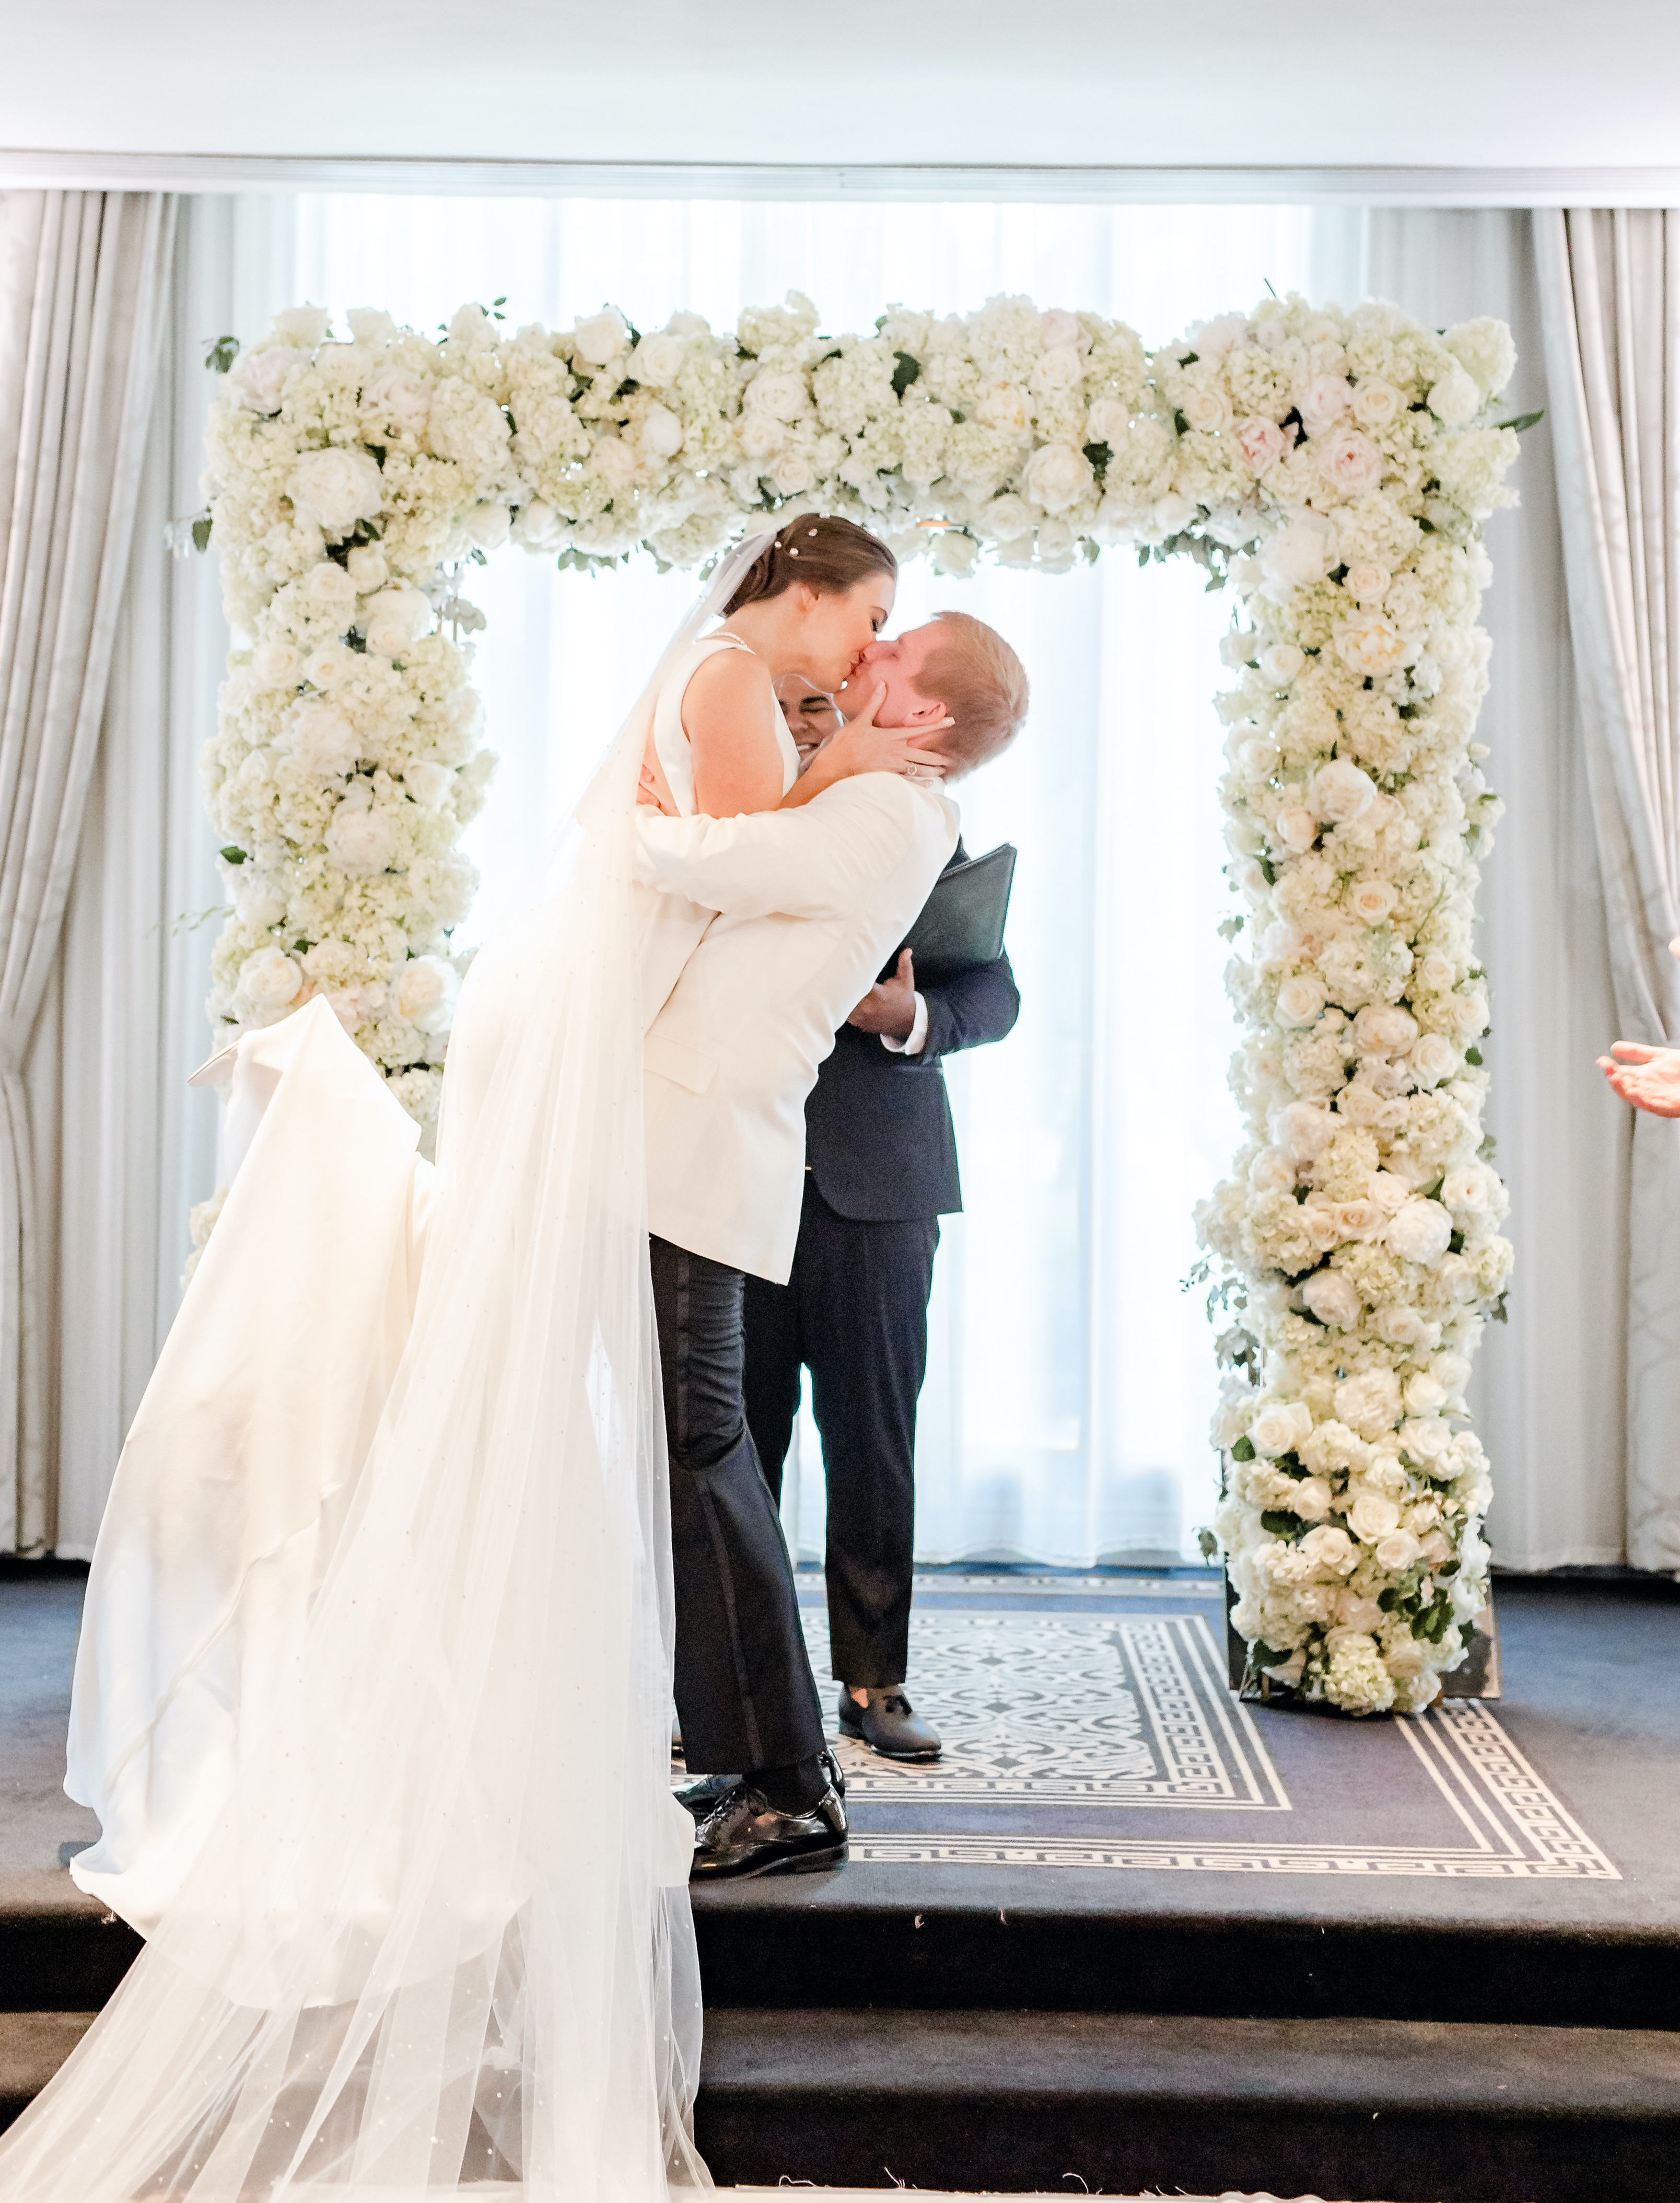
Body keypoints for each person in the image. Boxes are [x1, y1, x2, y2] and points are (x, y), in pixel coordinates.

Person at [0, 523, 953, 2201]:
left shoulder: (757, 705)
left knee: (678, 1441)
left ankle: (758, 1758)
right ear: (804, 588)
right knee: (688, 1440)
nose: (857, 657)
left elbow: (707, 858)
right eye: (863, 617)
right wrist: (828, 766)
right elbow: (706, 848)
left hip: (648, 1111)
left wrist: (820, 776)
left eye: (884, 645)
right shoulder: (733, 676)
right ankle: (773, 1763)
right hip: (654, 1123)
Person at [743, 616, 1026, 1761]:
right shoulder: (761, 808)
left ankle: (875, 1681)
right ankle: (737, 1687)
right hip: (741, 1166)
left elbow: (996, 993)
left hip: (882, 1184)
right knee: (732, 1443)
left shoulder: (926, 830)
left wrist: (908, 1016)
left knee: (873, 1440)